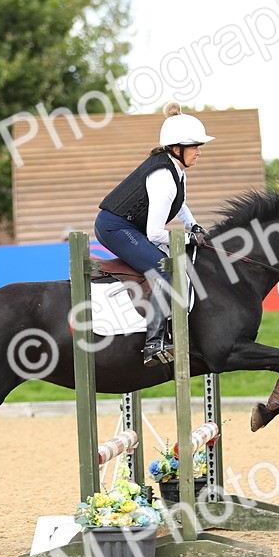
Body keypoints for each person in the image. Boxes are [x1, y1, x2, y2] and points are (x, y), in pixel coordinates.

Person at [95, 103, 213, 366]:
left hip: (128, 227)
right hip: (115, 228)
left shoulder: (177, 171)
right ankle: (154, 342)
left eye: (198, 147)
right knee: (165, 269)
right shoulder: (162, 175)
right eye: (194, 146)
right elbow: (156, 232)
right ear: (176, 149)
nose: (199, 152)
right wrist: (189, 238)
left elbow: (179, 204)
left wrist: (194, 226)